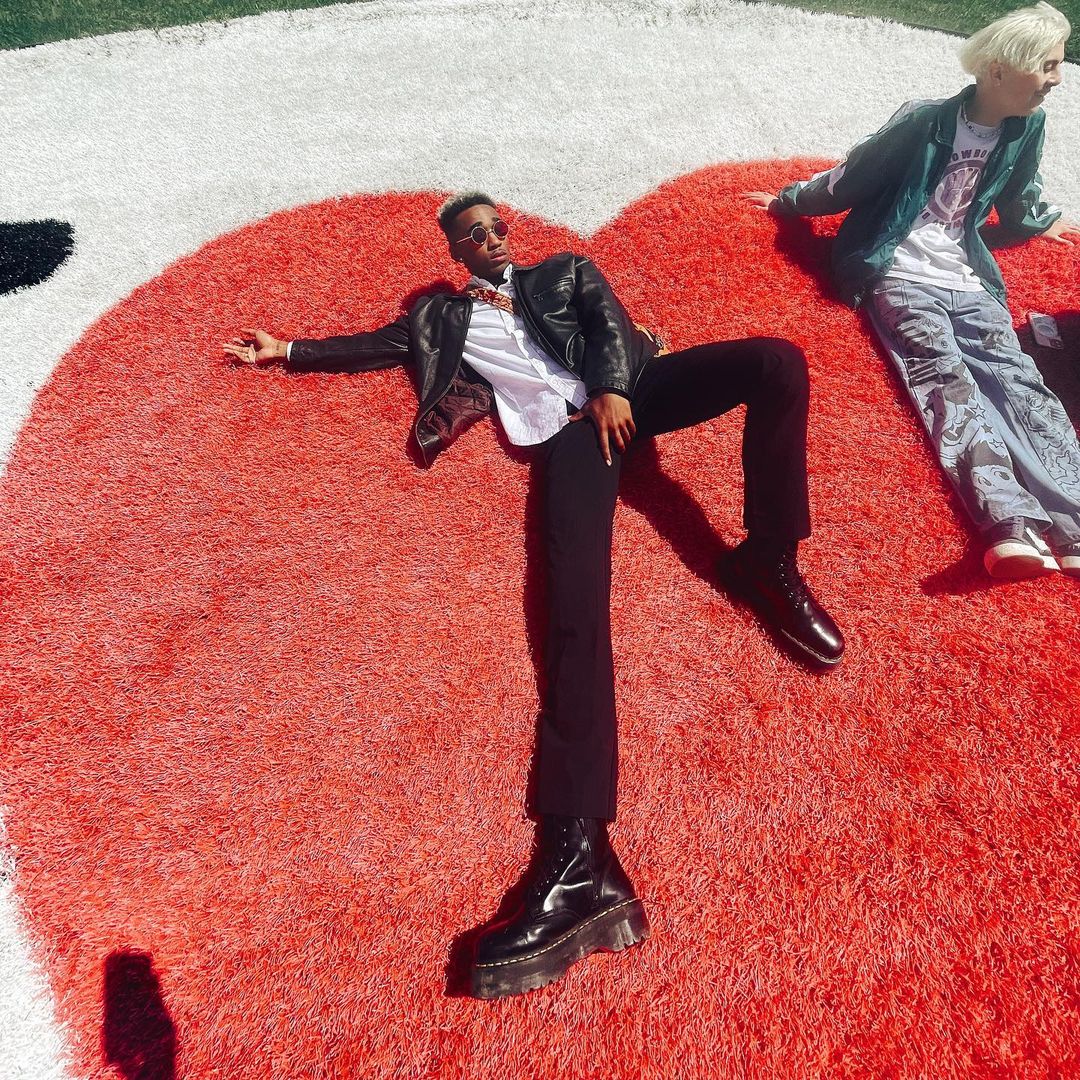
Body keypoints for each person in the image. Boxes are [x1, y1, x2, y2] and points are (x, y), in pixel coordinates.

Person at [223, 192, 844, 998]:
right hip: (569, 439)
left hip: (633, 391)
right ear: (456, 253)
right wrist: (289, 350)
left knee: (777, 361)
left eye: (496, 227)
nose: (490, 239)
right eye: (472, 235)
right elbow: (375, 345)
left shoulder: (563, 271)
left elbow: (608, 320)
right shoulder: (441, 320)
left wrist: (613, 386)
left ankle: (767, 559)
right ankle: (580, 854)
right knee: (575, 609)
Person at [746, 2, 1080, 580]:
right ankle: (1008, 522)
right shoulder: (923, 120)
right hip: (898, 271)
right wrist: (790, 200)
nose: (1057, 78)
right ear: (999, 70)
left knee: (1021, 384)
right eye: (1047, 65)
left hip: (967, 274)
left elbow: (1020, 187)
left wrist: (1034, 220)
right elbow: (853, 175)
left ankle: (1073, 519)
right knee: (946, 381)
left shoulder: (1027, 124)